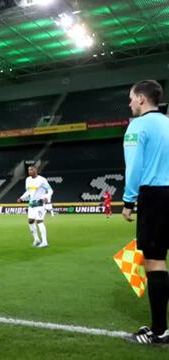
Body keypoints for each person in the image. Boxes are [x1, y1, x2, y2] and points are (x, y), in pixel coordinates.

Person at [121, 80, 169, 345]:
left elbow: (134, 168)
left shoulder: (137, 126)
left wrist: (128, 202)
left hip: (155, 196)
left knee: (155, 262)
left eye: (131, 98)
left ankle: (160, 331)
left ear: (141, 98)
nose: (129, 103)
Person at [17, 166, 53, 248]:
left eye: (31, 169)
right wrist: (21, 198)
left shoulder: (42, 180)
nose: (29, 171)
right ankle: (36, 240)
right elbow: (28, 191)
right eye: (28, 170)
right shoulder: (28, 180)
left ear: (36, 170)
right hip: (31, 204)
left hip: (39, 203)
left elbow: (50, 190)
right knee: (30, 221)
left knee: (39, 221)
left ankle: (45, 242)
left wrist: (46, 197)